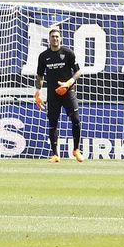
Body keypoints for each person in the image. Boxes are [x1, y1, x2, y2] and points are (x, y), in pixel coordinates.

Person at [34, 27, 82, 162]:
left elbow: (78, 72)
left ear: (60, 38)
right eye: (52, 37)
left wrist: (68, 83)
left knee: (76, 121)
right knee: (53, 123)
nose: (55, 38)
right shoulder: (43, 56)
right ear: (49, 39)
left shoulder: (68, 53)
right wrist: (38, 92)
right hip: (52, 94)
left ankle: (76, 150)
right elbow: (39, 76)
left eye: (57, 36)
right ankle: (55, 155)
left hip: (68, 92)